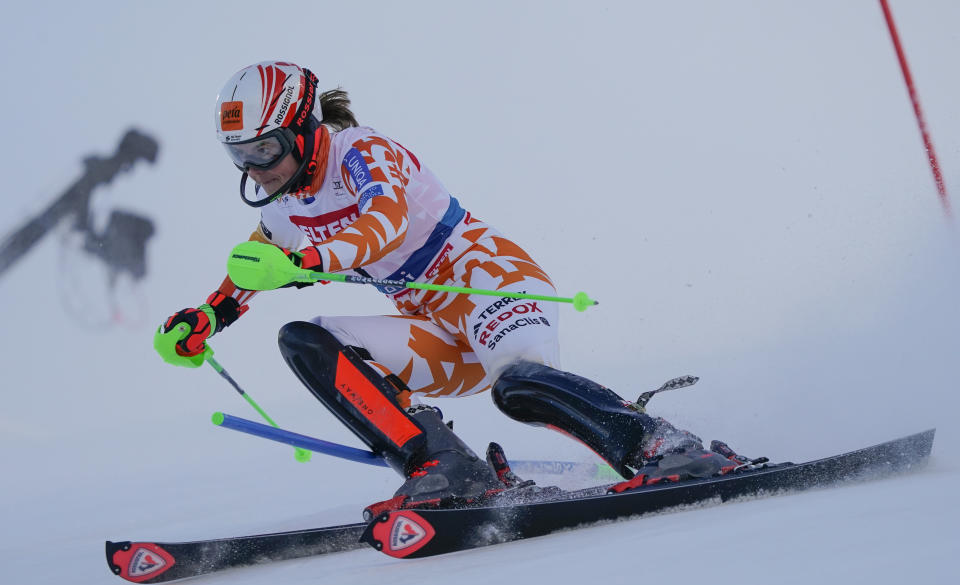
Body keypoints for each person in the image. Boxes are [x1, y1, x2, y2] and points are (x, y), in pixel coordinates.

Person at [155, 60, 740, 516]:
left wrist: (305, 261)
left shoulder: (362, 151)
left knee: (517, 389)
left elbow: (380, 224)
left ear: (304, 128)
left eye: (266, 149)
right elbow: (249, 272)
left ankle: (666, 448)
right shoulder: (284, 206)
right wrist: (206, 319)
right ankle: (442, 466)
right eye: (241, 156)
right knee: (305, 339)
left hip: (488, 283)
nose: (257, 169)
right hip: (431, 326)